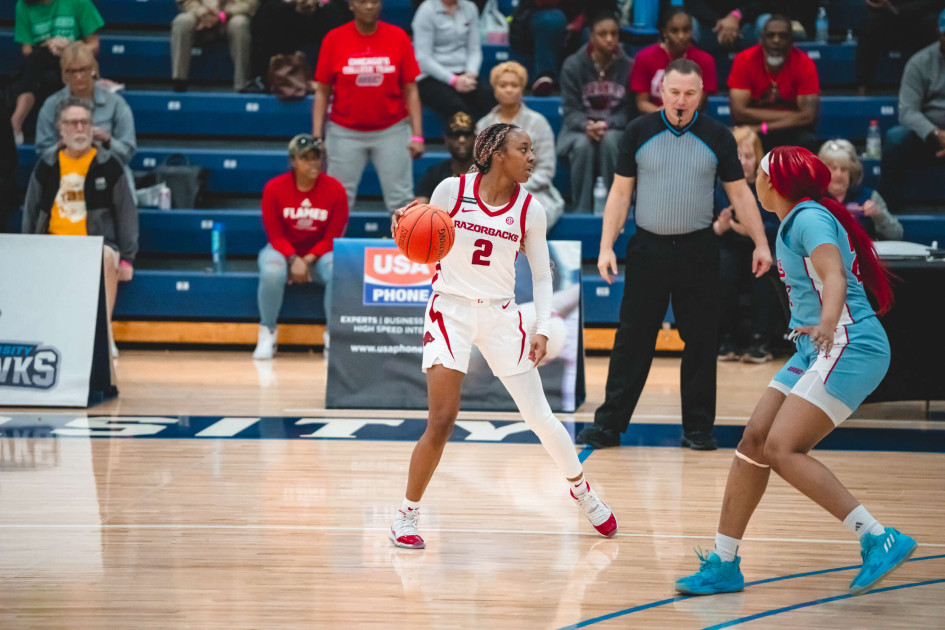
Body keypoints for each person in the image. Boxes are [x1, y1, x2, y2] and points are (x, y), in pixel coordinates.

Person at [674, 145, 917, 598]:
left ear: (775, 182)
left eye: (761, 173)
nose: (756, 180)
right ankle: (724, 563)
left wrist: (826, 325)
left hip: (848, 342)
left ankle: (876, 536)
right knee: (753, 441)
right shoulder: (798, 217)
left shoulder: (808, 217)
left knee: (782, 448)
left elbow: (835, 276)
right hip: (813, 347)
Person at [387, 123, 618, 549]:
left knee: (540, 418)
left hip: (500, 314)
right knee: (441, 421)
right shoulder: (450, 192)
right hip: (449, 310)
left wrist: (544, 326)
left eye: (532, 150)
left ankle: (583, 492)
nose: (532, 157)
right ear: (497, 154)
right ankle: (406, 514)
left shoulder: (532, 209)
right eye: (524, 149)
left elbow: (544, 276)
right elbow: (415, 238)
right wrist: (402, 226)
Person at [575, 59, 772, 451]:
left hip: (699, 249)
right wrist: (605, 246)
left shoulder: (717, 136)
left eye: (690, 94)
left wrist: (762, 242)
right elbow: (619, 193)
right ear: (661, 91)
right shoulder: (637, 131)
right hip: (648, 248)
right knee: (633, 340)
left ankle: (698, 429)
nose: (681, 101)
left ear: (701, 95)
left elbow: (740, 194)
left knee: (701, 340)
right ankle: (609, 425)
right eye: (674, 92)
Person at [22, 97, 138, 355]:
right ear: (60, 129)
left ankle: (103, 336)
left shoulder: (109, 165)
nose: (79, 128)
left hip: (93, 244)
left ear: (92, 127)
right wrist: (27, 249)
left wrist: (127, 257)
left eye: (84, 122)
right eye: (72, 123)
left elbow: (126, 213)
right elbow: (31, 210)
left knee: (109, 256)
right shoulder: (48, 165)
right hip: (52, 243)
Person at [313, 0, 423, 214]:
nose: (370, 6)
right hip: (344, 131)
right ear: (351, 5)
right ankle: (329, 249)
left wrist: (417, 135)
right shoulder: (334, 39)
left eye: (375, 1)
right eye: (363, 2)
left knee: (401, 201)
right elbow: (322, 91)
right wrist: (318, 136)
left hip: (392, 129)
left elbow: (411, 89)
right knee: (337, 200)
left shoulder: (398, 37)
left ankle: (406, 247)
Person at [254, 134, 348, 360]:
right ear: (294, 161)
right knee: (272, 271)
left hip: (319, 255)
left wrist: (305, 260)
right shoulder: (274, 188)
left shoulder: (336, 190)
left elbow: (333, 237)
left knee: (338, 269)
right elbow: (275, 235)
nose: (313, 163)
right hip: (282, 250)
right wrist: (292, 258)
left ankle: (332, 336)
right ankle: (267, 332)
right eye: (305, 158)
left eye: (317, 157)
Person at [714, 126, 781, 363]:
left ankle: (761, 341)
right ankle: (726, 340)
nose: (742, 162)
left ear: (758, 159)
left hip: (763, 246)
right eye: (737, 156)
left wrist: (751, 230)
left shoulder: (770, 185)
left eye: (748, 156)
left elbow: (779, 224)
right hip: (729, 244)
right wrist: (721, 227)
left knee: (764, 270)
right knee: (722, 267)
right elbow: (708, 228)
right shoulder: (721, 185)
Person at [556, 11, 634, 214]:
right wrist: (586, 125)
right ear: (591, 36)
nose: (610, 39)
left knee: (610, 140)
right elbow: (571, 111)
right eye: (603, 34)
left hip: (615, 129)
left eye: (614, 33)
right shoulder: (573, 65)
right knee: (583, 145)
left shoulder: (628, 66)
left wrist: (607, 124)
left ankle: (617, 209)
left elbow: (628, 111)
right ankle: (582, 209)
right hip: (578, 130)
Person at [476, 61, 565, 229]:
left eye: (514, 85)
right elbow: (481, 167)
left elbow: (546, 170)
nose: (509, 89)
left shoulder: (539, 123)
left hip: (533, 191)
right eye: (503, 85)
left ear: (522, 89)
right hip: (491, 192)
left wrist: (514, 187)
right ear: (495, 89)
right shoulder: (483, 126)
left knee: (527, 216)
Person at [11, 0, 104, 145]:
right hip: (41, 67)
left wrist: (69, 48)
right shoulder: (23, 5)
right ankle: (15, 125)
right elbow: (26, 50)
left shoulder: (79, 2)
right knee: (35, 62)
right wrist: (48, 45)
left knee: (69, 66)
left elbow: (94, 45)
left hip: (73, 62)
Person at [879, 12, 945, 215]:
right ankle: (890, 214)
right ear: (939, 32)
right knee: (895, 138)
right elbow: (907, 111)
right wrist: (936, 134)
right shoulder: (920, 62)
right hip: (927, 136)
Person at [35, 42, 137, 169]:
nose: (78, 76)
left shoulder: (116, 103)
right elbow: (43, 154)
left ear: (93, 69)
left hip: (109, 173)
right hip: (65, 173)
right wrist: (62, 145)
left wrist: (107, 140)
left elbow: (128, 153)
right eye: (72, 71)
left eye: (83, 69)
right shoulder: (51, 105)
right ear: (64, 74)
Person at [728, 14, 820, 152]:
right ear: (761, 39)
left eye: (782, 36)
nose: (776, 40)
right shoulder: (744, 60)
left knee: (807, 140)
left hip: (788, 131)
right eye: (770, 35)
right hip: (753, 130)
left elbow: (808, 116)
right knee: (736, 139)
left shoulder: (804, 63)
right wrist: (793, 115)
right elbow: (739, 112)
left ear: (791, 40)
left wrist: (762, 127)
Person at [412, 0, 496, 124]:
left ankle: (486, 140)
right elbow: (423, 58)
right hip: (431, 76)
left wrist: (471, 73)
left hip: (464, 73)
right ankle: (466, 141)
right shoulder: (426, 11)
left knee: (489, 96)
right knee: (458, 108)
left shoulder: (470, 8)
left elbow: (474, 49)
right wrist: (453, 80)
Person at [240, 0, 348, 93]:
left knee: (334, 11)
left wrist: (317, 2)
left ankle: (336, 78)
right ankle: (263, 78)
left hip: (320, 12)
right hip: (287, 13)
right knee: (269, 10)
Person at [631, 9, 717, 115]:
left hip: (691, 121)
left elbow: (698, 104)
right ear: (664, 32)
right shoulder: (644, 57)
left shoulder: (705, 60)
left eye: (686, 30)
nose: (681, 36)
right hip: (655, 118)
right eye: (674, 31)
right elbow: (642, 103)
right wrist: (664, 114)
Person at [818, 140, 903, 241]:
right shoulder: (812, 198)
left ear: (851, 172)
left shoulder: (870, 197)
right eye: (833, 168)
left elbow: (897, 235)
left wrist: (879, 215)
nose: (839, 174)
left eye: (844, 169)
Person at [854, 0, 943, 95]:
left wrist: (896, 9)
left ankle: (932, 88)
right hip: (893, 21)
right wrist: (879, 4)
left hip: (920, 21)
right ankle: (862, 87)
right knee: (871, 25)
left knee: (932, 24)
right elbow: (873, 4)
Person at [171, 0, 257, 92]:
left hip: (231, 15)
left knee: (239, 24)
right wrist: (201, 12)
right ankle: (179, 82)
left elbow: (249, 4)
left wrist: (222, 15)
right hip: (201, 16)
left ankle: (242, 84)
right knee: (182, 21)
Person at [415, 112, 475, 204]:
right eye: (455, 135)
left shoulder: (487, 173)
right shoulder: (434, 173)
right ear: (446, 140)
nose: (462, 140)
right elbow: (419, 208)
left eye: (467, 134)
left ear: (476, 138)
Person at [683, 0, 770, 51]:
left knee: (766, 21)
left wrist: (738, 15)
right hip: (710, 25)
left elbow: (762, 3)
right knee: (688, 23)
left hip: (746, 23)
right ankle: (685, 71)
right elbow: (692, 4)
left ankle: (770, 73)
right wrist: (717, 21)